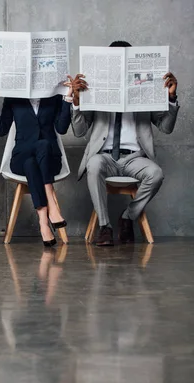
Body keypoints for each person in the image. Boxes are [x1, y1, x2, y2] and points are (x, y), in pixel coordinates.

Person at [68, 41, 179, 247]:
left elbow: (166, 127)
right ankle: (104, 227)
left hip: (135, 157)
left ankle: (128, 217)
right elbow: (80, 131)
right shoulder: (95, 87)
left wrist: (171, 97)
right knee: (94, 164)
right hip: (105, 155)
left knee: (156, 174)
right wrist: (76, 100)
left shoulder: (145, 88)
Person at [0, 81, 72, 247]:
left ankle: (43, 222)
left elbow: (62, 128)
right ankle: (52, 205)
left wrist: (67, 97)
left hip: (50, 161)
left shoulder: (54, 96)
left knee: (33, 162)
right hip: (20, 157)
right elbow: (1, 129)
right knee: (35, 152)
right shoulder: (14, 97)